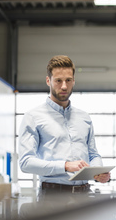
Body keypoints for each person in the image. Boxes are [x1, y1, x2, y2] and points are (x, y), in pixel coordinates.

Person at [18, 55, 110, 196]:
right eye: (58, 81)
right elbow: (25, 162)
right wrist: (65, 166)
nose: (64, 86)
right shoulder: (33, 117)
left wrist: (98, 172)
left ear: (74, 81)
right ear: (48, 81)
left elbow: (93, 154)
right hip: (52, 196)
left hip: (85, 194)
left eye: (68, 80)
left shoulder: (84, 118)